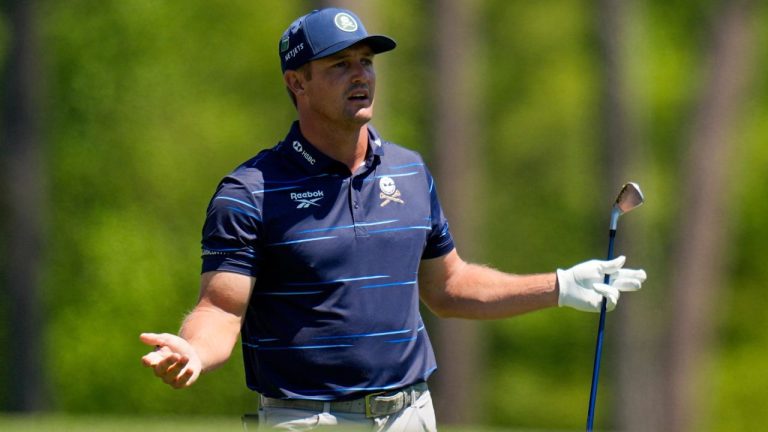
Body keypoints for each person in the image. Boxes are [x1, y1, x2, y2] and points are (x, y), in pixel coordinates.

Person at [140, 7, 647, 431]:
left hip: (410, 416)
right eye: (339, 65)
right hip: (309, 421)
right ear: (297, 82)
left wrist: (557, 285)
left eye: (366, 62)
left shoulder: (408, 172)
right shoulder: (251, 191)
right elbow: (222, 310)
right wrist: (195, 351)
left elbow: (448, 289)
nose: (360, 74)